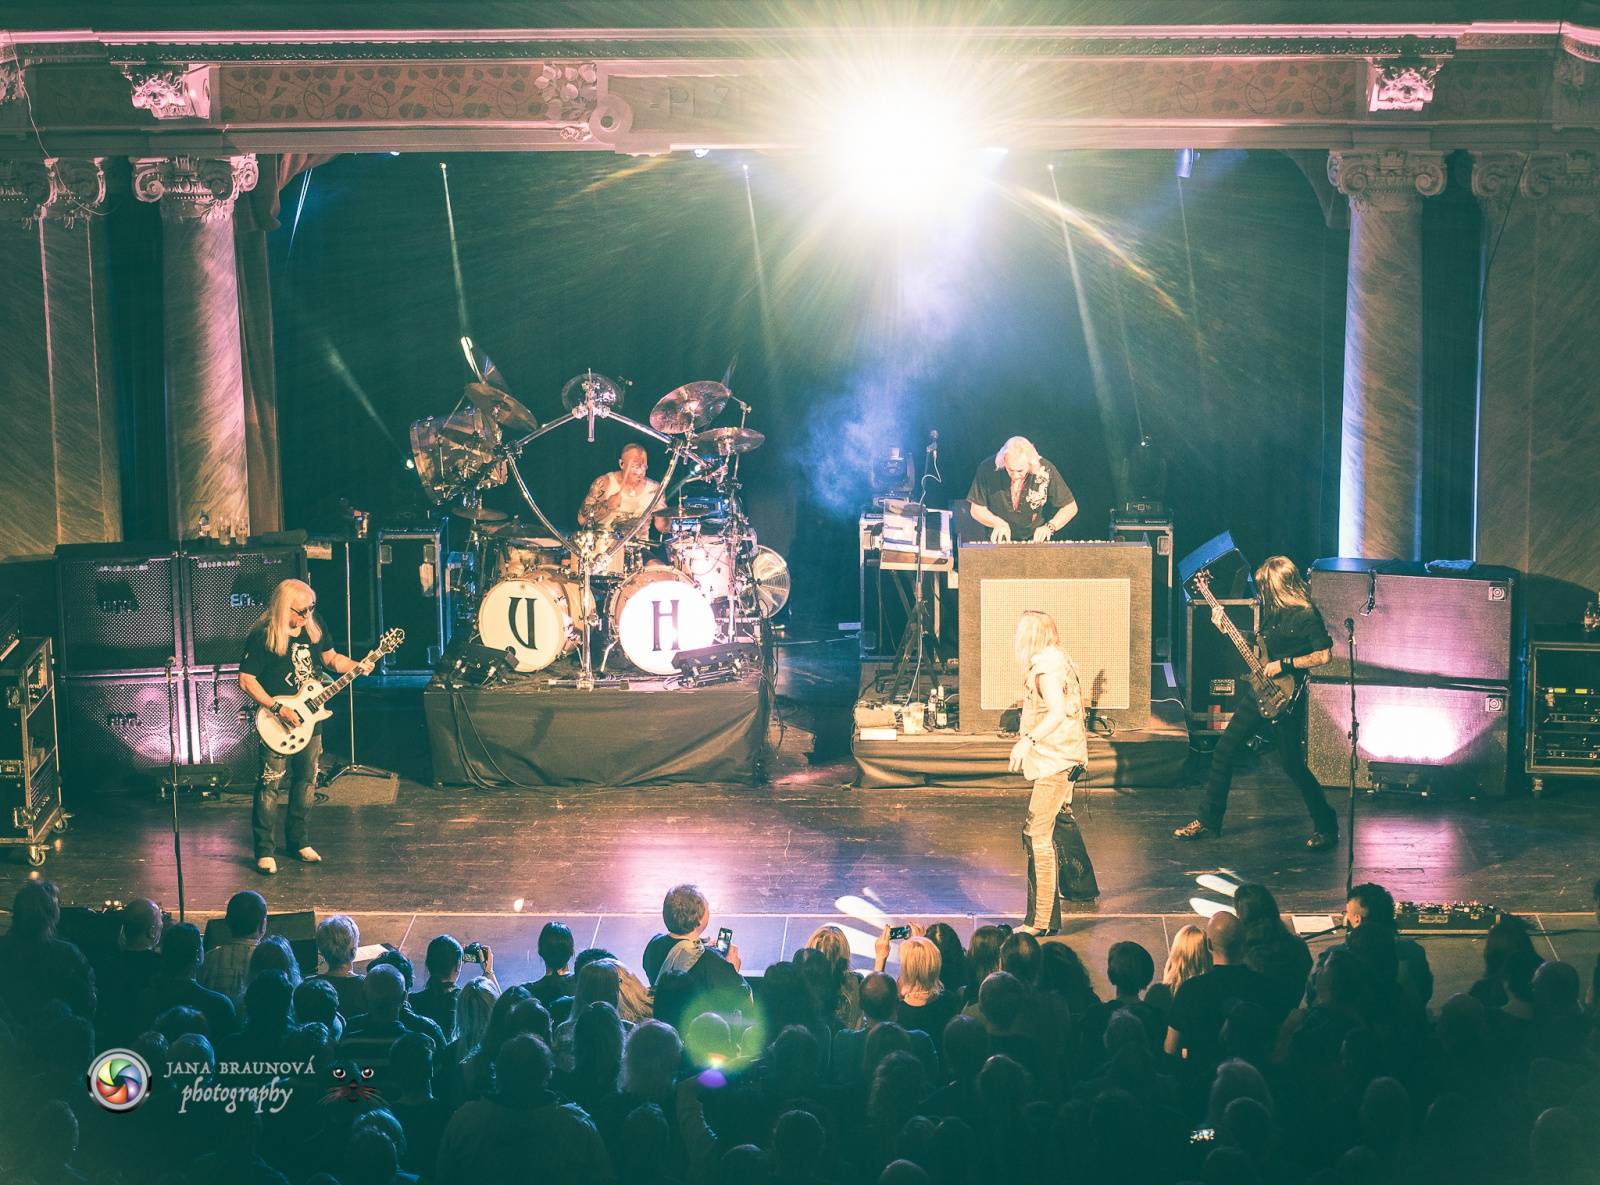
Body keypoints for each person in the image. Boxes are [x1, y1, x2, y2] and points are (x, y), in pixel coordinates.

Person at [1173, 554, 1340, 850]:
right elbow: (1260, 645)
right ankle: (1209, 820)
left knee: (1293, 767)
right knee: (1223, 749)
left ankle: (1326, 825)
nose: (1262, 592)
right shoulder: (1271, 610)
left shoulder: (1306, 615)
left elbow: (1324, 655)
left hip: (1286, 696)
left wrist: (1285, 663)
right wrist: (1226, 627)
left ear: (1282, 586)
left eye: (1267, 587)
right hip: (1260, 691)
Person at [239, 577, 373, 874]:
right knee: (270, 785)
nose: (306, 616)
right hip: (277, 719)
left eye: (311, 609)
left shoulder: (313, 625)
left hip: (310, 719)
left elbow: (330, 659)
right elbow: (246, 680)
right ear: (284, 608)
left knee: (307, 781)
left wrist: (356, 666)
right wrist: (277, 707)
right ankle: (264, 849)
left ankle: (299, 841)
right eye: (301, 611)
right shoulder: (264, 636)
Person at [1007, 609, 1096, 935]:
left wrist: (1027, 740)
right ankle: (1081, 887)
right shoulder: (1059, 658)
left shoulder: (1044, 669)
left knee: (1036, 834)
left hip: (1056, 761)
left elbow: (1057, 712)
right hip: (1068, 755)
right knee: (1061, 819)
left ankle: (1041, 921)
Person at [965, 436, 1078, 543]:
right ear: (1003, 460)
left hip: (1035, 542)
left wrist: (1050, 527)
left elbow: (1070, 507)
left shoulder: (1045, 470)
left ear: (1031, 463)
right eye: (1010, 470)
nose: (1015, 475)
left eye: (1020, 471)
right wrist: (998, 523)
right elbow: (976, 509)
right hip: (998, 541)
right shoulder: (987, 468)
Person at [579, 443, 661, 533]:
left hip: (640, 545)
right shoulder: (604, 483)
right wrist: (607, 506)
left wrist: (663, 519)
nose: (640, 471)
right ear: (622, 464)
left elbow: (663, 528)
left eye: (644, 466)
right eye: (635, 466)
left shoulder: (654, 488)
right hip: (605, 544)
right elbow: (581, 520)